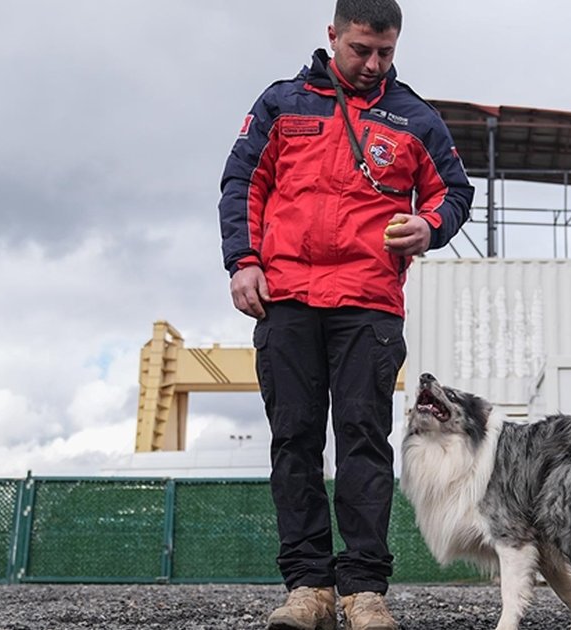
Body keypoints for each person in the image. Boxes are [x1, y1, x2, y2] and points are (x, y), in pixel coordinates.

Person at [217, 1, 473, 627]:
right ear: (333, 36)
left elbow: (454, 191)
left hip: (369, 304)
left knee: (365, 442)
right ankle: (308, 590)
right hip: (287, 299)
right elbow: (242, 180)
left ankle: (364, 591)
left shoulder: (415, 118)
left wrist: (430, 224)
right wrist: (243, 260)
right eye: (361, 49)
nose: (373, 63)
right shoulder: (282, 104)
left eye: (385, 51)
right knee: (295, 440)